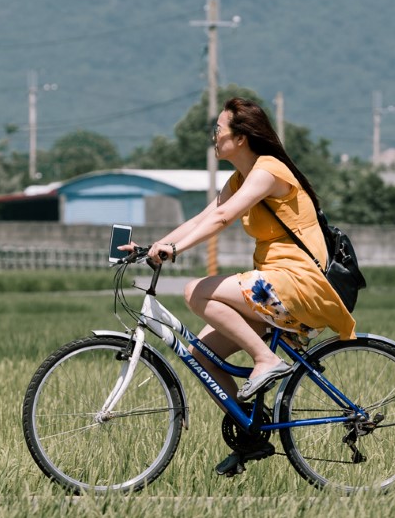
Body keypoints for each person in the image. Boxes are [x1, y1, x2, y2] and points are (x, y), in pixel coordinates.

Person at [125, 97, 356, 475]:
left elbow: (222, 218)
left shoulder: (269, 170)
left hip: (297, 282)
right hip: (275, 285)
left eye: (217, 129)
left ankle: (266, 360)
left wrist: (175, 250)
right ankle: (251, 435)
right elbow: (204, 216)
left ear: (242, 137)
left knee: (195, 291)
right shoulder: (240, 179)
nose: (213, 137)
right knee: (201, 355)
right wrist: (154, 245)